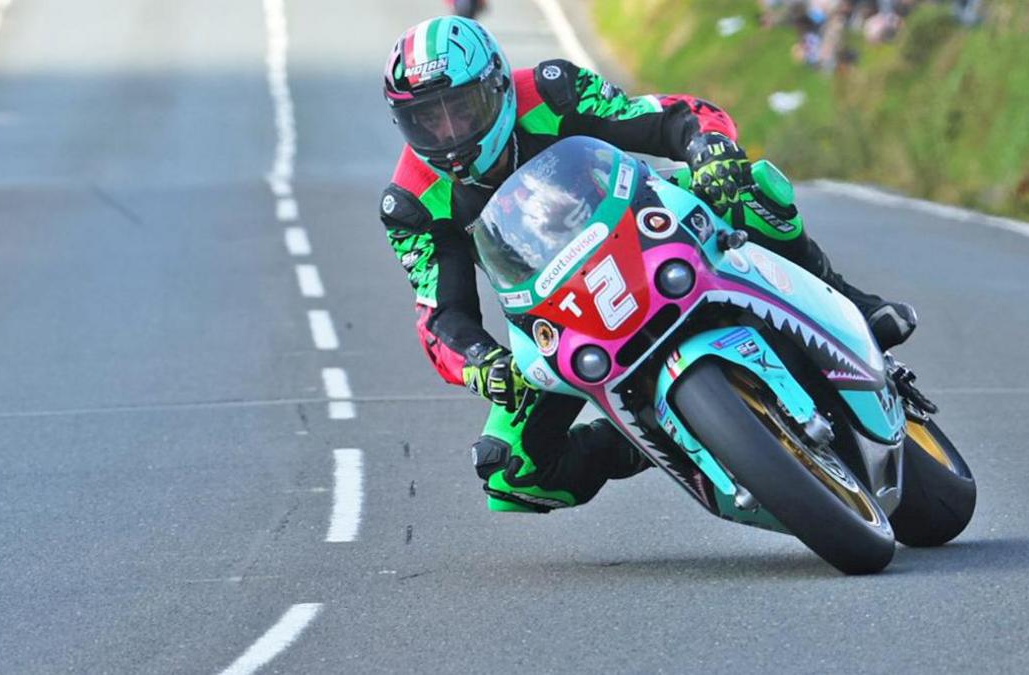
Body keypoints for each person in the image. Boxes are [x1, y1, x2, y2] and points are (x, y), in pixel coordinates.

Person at [379, 16, 917, 514]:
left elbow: (671, 117)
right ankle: (642, 439)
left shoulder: (549, 91)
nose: (448, 134)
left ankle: (853, 304)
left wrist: (709, 147)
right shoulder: (412, 202)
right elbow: (439, 314)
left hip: (644, 222)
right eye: (427, 120)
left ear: (496, 86)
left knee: (747, 187)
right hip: (560, 311)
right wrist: (480, 362)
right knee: (511, 475)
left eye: (461, 108)